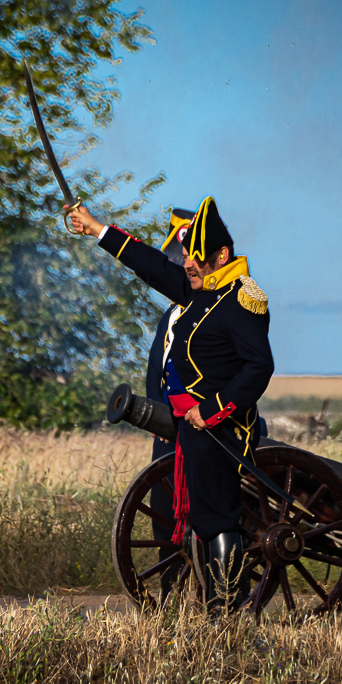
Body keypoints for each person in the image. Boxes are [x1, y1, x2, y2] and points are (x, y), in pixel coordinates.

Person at [67, 197, 274, 614]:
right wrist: (95, 228)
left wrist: (212, 409)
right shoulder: (200, 291)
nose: (187, 266)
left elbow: (259, 367)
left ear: (222, 256)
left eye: (196, 259)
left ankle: (224, 613)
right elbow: (151, 265)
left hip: (222, 430)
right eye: (186, 259)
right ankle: (210, 604)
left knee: (218, 520)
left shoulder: (241, 300)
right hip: (192, 431)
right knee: (199, 520)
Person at [145, 207, 196, 602]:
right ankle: (170, 594)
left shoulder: (220, 306)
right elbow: (155, 373)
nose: (180, 269)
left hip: (207, 428)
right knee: (165, 520)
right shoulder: (170, 315)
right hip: (168, 435)